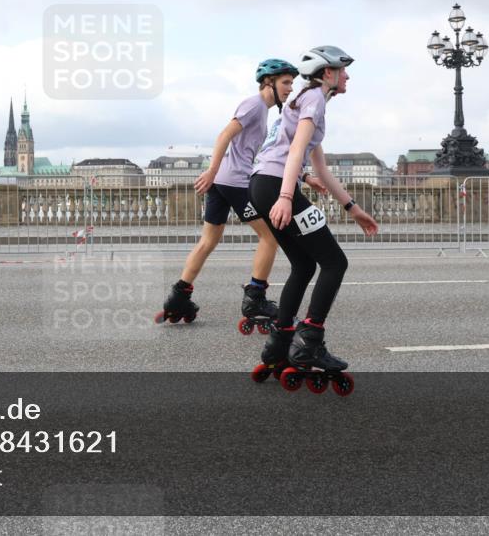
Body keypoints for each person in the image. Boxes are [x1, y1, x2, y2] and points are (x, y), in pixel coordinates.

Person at [157, 59, 328, 326]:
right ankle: (255, 297)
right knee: (270, 237)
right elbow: (224, 135)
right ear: (268, 83)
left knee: (208, 242)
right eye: (285, 83)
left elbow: (261, 154)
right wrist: (211, 171)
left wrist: (304, 176)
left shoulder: (263, 112)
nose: (289, 89)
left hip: (225, 182)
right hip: (234, 182)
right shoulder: (254, 105)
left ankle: (178, 296)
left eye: (292, 84)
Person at [248, 46, 378, 380]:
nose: (347, 76)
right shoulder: (315, 99)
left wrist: (353, 208)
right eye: (343, 70)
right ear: (328, 73)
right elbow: (294, 151)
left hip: (261, 184)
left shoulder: (303, 100)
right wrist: (287, 196)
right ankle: (309, 340)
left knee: (305, 264)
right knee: (335, 262)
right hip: (277, 186)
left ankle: (279, 344)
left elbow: (321, 167)